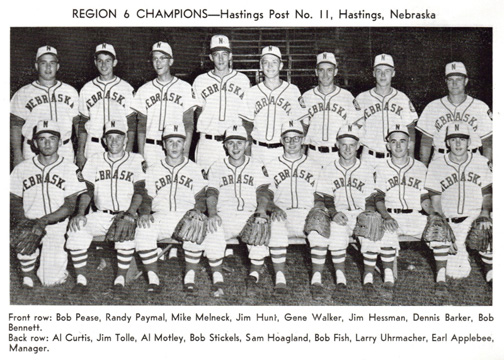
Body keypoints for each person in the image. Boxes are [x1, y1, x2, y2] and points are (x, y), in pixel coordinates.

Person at [66, 120, 146, 294]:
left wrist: (131, 213)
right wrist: (80, 213)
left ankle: (120, 281)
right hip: (101, 214)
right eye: (110, 137)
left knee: (126, 235)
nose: (114, 141)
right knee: (77, 229)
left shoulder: (135, 159)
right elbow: (87, 191)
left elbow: (140, 191)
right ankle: (81, 281)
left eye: (119, 137)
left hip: (126, 214)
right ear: (104, 140)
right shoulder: (94, 160)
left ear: (125, 139)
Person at [10, 120, 86, 287]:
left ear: (60, 142)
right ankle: (27, 276)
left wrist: (43, 221)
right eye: (42, 139)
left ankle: (58, 266)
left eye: (52, 138)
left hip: (56, 225)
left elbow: (70, 205)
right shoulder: (22, 168)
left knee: (49, 281)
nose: (47, 143)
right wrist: (23, 221)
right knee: (24, 240)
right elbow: (13, 198)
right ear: (35, 143)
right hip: (29, 222)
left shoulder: (70, 168)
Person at [134, 123, 207, 293]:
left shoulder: (194, 169)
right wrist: (144, 213)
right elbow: (146, 197)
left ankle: (190, 278)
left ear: (184, 144)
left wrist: (198, 211)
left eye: (179, 142)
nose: (174, 146)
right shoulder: (153, 169)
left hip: (185, 216)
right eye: (170, 141)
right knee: (143, 230)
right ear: (163, 145)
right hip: (160, 215)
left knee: (195, 228)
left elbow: (201, 197)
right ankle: (153, 279)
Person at [308, 125, 376, 300]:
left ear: (358, 145)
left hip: (360, 213)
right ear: (337, 144)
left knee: (371, 230)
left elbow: (370, 199)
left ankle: (368, 281)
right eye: (343, 144)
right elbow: (327, 197)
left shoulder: (366, 169)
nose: (347, 149)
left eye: (351, 145)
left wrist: (367, 214)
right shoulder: (329, 168)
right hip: (340, 213)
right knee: (337, 233)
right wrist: (334, 213)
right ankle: (341, 281)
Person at [204, 125, 271, 298]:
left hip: (248, 214)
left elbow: (263, 191)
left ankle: (253, 277)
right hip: (224, 215)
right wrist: (212, 214)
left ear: (247, 144)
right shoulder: (217, 166)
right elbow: (211, 193)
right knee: (213, 232)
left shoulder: (256, 165)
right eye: (231, 143)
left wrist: (261, 211)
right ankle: (217, 279)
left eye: (239, 143)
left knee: (259, 230)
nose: (235, 147)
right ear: (225, 145)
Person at [424, 121, 492, 292]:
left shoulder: (481, 162)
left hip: (474, 216)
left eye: (462, 139)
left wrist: (485, 213)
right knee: (456, 272)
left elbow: (488, 194)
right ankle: (444, 273)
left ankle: (491, 271)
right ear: (447, 143)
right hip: (452, 221)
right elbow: (435, 200)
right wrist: (444, 224)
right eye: (453, 140)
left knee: (490, 226)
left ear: (469, 142)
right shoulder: (436, 164)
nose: (458, 144)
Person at [372, 124, 430, 291]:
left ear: (409, 144)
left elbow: (425, 198)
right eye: (394, 142)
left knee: (438, 230)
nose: (398, 146)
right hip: (392, 215)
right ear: (388, 145)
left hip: (416, 216)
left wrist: (433, 215)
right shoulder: (381, 168)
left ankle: (441, 279)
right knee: (385, 232)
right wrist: (386, 216)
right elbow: (378, 198)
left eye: (402, 141)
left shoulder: (420, 168)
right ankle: (389, 276)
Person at [264, 121, 319, 295]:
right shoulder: (271, 166)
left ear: (303, 140)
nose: (292, 143)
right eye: (288, 139)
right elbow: (265, 196)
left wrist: (317, 211)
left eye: (296, 138)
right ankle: (280, 277)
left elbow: (321, 196)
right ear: (281, 140)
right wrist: (273, 208)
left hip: (307, 213)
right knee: (276, 226)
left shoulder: (315, 166)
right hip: (283, 213)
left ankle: (317, 278)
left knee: (319, 229)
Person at [130, 42, 197, 167]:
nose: (158, 63)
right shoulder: (144, 89)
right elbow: (141, 126)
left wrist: (186, 153)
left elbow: (188, 125)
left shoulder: (184, 87)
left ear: (170, 61)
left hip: (175, 148)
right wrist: (141, 155)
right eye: (155, 59)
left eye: (162, 58)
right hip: (151, 148)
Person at [11, 46, 79, 167]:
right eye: (43, 63)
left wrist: (80, 151)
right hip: (33, 150)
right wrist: (17, 154)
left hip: (64, 148)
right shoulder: (23, 92)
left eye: (52, 63)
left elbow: (78, 124)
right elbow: (15, 125)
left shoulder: (71, 91)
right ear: (37, 66)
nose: (48, 67)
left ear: (57, 66)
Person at [239, 46, 307, 163]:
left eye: (274, 62)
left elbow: (303, 124)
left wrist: (299, 151)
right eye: (266, 62)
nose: (270, 66)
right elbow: (246, 126)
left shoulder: (292, 90)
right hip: (258, 150)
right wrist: (248, 154)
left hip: (283, 151)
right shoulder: (252, 92)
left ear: (281, 65)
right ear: (261, 66)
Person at [192, 35, 250, 172]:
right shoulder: (200, 80)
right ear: (211, 57)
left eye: (224, 54)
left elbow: (247, 117)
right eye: (216, 54)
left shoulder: (242, 80)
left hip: (233, 144)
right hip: (208, 143)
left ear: (230, 56)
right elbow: (196, 112)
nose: (221, 59)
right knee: (205, 188)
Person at [417, 62, 492, 165]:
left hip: (473, 160)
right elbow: (425, 143)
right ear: (445, 81)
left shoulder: (480, 107)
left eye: (459, 79)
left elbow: (487, 143)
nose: (454, 84)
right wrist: (423, 169)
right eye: (450, 80)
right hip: (441, 160)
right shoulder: (433, 107)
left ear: (466, 81)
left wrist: (486, 167)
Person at [76, 43, 135, 169]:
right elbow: (82, 124)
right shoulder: (87, 89)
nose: (104, 65)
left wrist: (129, 150)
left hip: (118, 145)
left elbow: (131, 123)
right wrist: (80, 152)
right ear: (95, 63)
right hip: (93, 145)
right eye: (100, 61)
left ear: (115, 62)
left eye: (108, 61)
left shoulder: (126, 88)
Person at [356, 54, 418, 166]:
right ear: (373, 73)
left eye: (387, 71)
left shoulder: (402, 98)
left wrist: (411, 157)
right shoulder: (362, 98)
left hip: (395, 157)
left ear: (393, 73)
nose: (383, 75)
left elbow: (411, 129)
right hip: (369, 157)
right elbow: (353, 130)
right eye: (379, 71)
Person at [302, 52, 363, 165]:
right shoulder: (307, 96)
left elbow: (357, 125)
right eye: (321, 70)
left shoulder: (346, 96)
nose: (325, 75)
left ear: (335, 72)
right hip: (313, 154)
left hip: (337, 154)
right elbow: (303, 129)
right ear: (316, 72)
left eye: (329, 70)